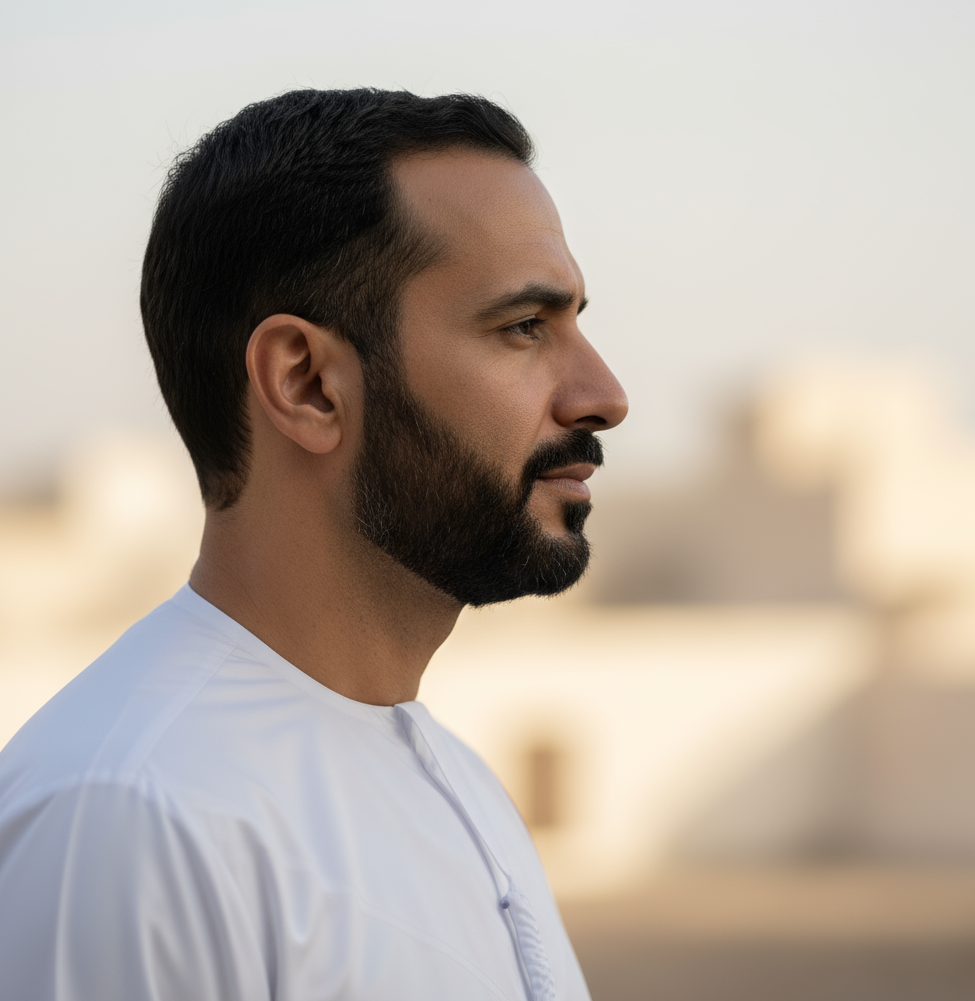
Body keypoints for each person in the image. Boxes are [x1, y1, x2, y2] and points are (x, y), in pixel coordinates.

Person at [0, 88, 627, 1000]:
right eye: (524, 327)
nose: (602, 393)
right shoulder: (132, 819)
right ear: (308, 384)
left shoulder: (456, 781)